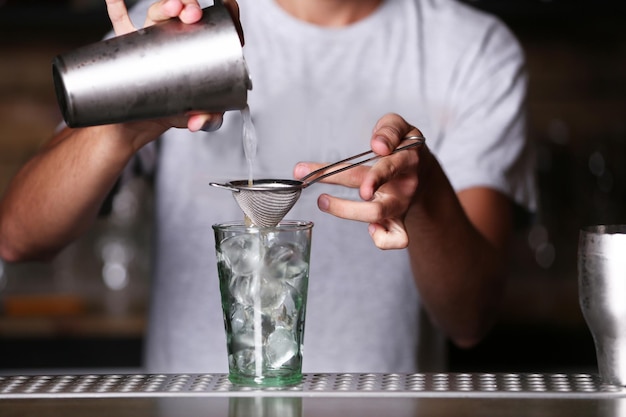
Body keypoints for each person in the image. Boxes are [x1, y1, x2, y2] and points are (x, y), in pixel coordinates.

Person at [0, 0, 536, 373]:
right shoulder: (176, 31)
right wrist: (124, 127)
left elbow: (471, 319)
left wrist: (429, 192)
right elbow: (18, 236)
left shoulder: (473, 50)